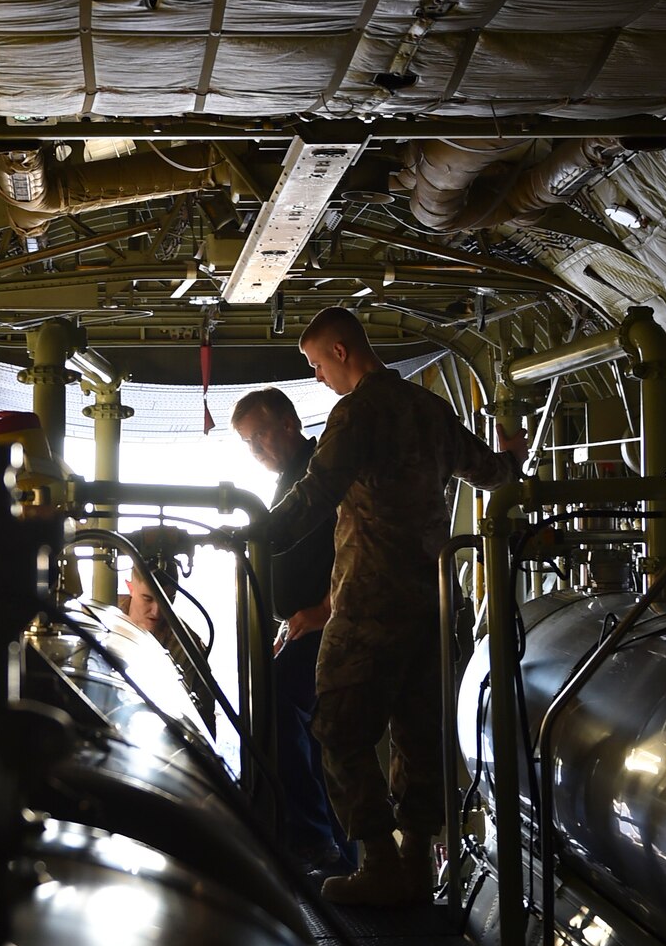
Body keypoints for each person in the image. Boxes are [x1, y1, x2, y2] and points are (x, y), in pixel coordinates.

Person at [259, 305, 524, 907]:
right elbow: (493, 473)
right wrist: (513, 455)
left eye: (316, 363)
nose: (319, 376)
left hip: (371, 599)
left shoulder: (356, 414)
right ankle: (416, 867)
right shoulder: (429, 409)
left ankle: (378, 860)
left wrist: (254, 536)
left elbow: (315, 494)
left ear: (342, 351)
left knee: (338, 726)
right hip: (434, 601)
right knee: (420, 732)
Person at [231, 386, 354, 873]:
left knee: (282, 704)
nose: (256, 449)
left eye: (260, 435)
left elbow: (354, 544)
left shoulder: (320, 471)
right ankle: (341, 855)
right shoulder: (291, 476)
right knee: (319, 739)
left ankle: (311, 837)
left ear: (288, 424)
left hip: (328, 621)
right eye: (248, 443)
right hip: (300, 622)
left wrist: (325, 608)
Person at [119, 566, 216, 733]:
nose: (157, 611)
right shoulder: (101, 615)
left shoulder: (188, 648)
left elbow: (204, 722)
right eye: (147, 598)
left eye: (167, 600)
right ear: (130, 588)